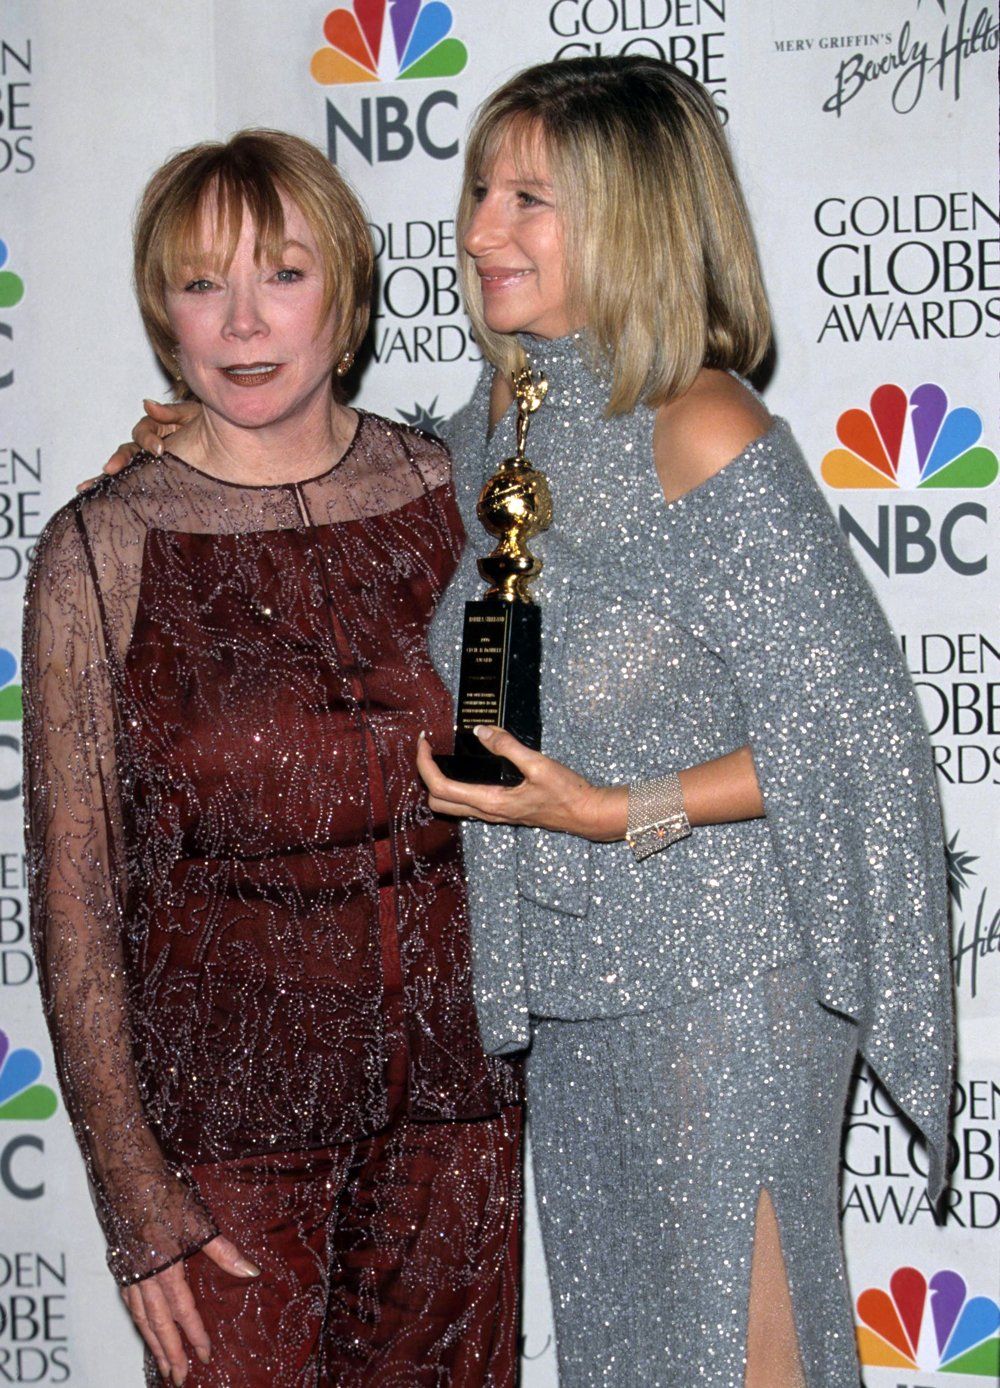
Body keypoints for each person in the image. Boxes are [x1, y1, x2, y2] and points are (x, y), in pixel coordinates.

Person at [105, 60, 953, 1388]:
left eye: (529, 200)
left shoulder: (706, 423)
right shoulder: (504, 419)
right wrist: (210, 442)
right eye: (480, 191)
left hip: (728, 988)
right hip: (566, 996)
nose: (480, 230)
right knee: (621, 1354)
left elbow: (860, 739)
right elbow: (355, 471)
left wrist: (620, 809)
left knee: (732, 1349)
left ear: (633, 213)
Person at [24, 129, 521, 1388]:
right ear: (163, 313)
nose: (242, 321)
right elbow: (75, 897)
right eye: (202, 284)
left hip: (454, 1116)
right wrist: (136, 1196)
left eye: (282, 274)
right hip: (223, 1143)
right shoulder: (102, 549)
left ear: (345, 298)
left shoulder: (451, 494)